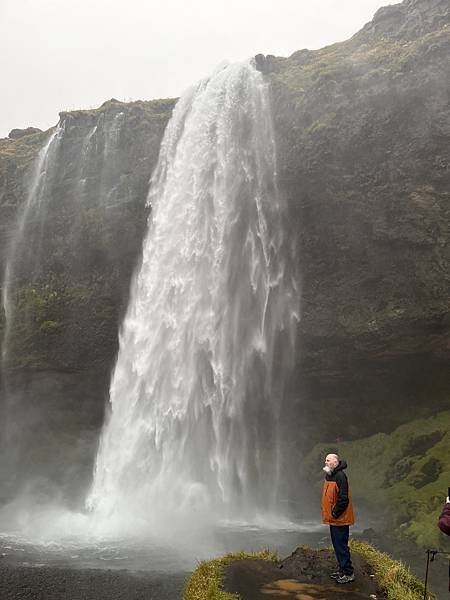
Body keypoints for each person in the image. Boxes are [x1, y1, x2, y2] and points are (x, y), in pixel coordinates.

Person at [322, 453, 355, 584]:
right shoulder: (330, 475)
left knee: (341, 545)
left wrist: (334, 514)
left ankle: (348, 572)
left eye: (328, 460)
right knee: (337, 545)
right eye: (325, 460)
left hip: (339, 519)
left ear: (335, 462)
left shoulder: (340, 476)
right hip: (333, 519)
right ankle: (342, 570)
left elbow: (343, 499)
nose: (325, 462)